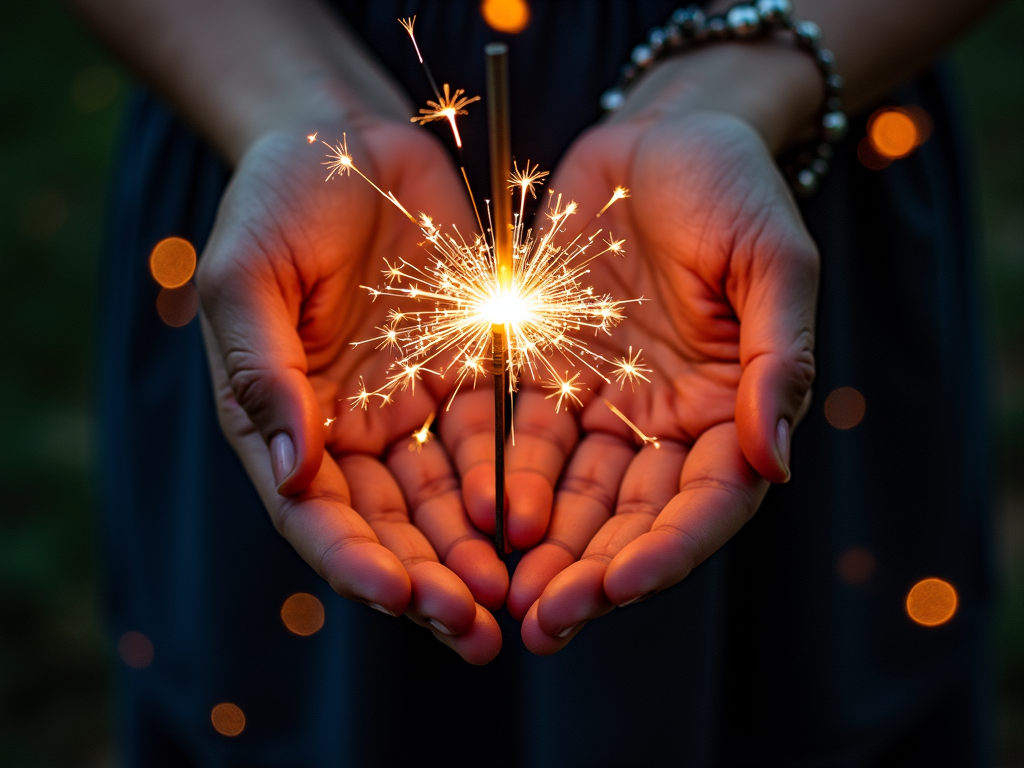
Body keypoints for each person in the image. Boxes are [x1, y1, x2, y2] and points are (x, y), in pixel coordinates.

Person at [76, 0, 997, 764]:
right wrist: (295, 103)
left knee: (801, 687)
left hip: (811, 94)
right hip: (250, 96)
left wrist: (753, 84)